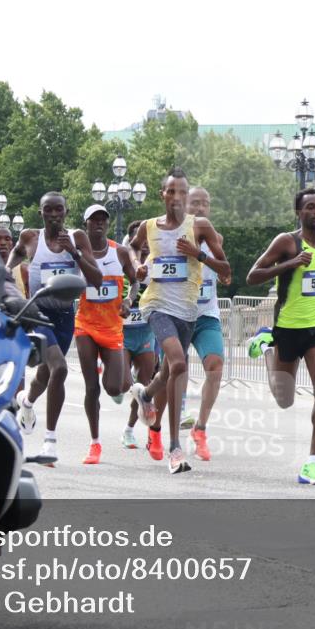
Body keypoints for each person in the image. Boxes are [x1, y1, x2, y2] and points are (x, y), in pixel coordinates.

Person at [127, 168, 230, 474]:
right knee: (179, 364)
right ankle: (175, 448)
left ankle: (145, 394)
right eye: (172, 191)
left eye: (182, 192)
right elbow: (133, 246)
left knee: (169, 370)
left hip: (188, 311)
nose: (177, 197)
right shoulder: (149, 226)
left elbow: (225, 269)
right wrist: (138, 266)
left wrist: (198, 254)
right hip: (157, 306)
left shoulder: (200, 226)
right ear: (164, 195)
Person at [245, 188, 315, 486]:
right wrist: (290, 263)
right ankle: (266, 343)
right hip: (287, 326)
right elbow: (253, 275)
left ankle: (312, 463)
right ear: (298, 212)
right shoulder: (287, 241)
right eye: (310, 207)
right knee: (284, 399)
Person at [14, 193, 101, 466]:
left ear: (66, 211)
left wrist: (73, 253)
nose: (54, 214)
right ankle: (49, 442)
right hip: (38, 314)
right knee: (60, 368)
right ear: (40, 212)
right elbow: (10, 264)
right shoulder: (30, 238)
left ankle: (26, 401)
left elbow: (97, 279)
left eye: (59, 210)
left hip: (64, 315)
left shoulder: (77, 238)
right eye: (48, 210)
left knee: (45, 373)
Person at [74, 205, 139, 464]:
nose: (99, 223)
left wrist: (129, 301)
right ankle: (95, 443)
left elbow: (135, 281)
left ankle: (127, 381)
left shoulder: (119, 252)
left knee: (114, 387)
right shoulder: (77, 253)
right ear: (86, 224)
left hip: (113, 328)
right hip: (85, 326)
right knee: (92, 387)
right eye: (94, 220)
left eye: (103, 219)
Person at [181, 186, 231, 461]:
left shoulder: (216, 238)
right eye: (195, 203)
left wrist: (222, 276)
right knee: (176, 369)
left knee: (215, 366)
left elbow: (224, 270)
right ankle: (161, 422)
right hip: (176, 314)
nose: (201, 208)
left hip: (206, 314)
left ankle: (199, 429)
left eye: (205, 204)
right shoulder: (171, 237)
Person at [119, 221, 156, 449]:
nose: (141, 245)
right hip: (122, 332)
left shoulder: (155, 263)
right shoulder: (122, 264)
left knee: (143, 388)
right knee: (125, 384)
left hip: (146, 333)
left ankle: (129, 431)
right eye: (136, 240)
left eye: (145, 241)